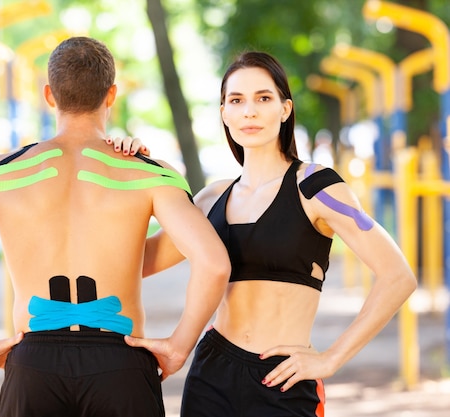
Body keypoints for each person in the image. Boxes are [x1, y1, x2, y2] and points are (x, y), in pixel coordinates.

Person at [0, 36, 230, 417]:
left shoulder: (1, 173)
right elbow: (214, 264)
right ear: (111, 96)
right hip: (120, 363)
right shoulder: (147, 173)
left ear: (49, 95)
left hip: (33, 364)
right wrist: (177, 347)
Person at [113, 51, 417, 416]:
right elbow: (136, 261)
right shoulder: (211, 199)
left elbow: (398, 276)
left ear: (285, 109)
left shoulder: (317, 188)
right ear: (224, 113)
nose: (249, 112)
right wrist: (135, 170)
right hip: (211, 374)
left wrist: (331, 359)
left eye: (263, 98)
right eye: (236, 101)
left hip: (284, 380)